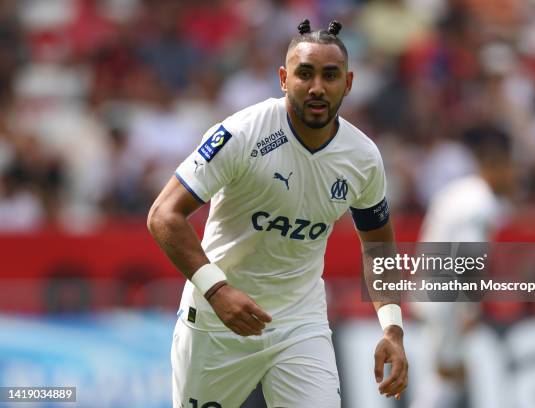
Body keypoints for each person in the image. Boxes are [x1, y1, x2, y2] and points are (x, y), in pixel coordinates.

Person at [147, 19, 408, 408]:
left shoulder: (363, 157)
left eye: (330, 75)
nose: (317, 87)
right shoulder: (241, 134)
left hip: (300, 324)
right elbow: (163, 215)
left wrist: (392, 328)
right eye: (305, 73)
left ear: (348, 83)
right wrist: (217, 290)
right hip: (217, 322)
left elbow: (378, 245)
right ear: (284, 78)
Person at [410, 126, 515, 408]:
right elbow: (466, 260)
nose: (513, 177)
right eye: (509, 169)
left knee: (449, 375)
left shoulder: (460, 192)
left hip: (432, 291)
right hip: (446, 300)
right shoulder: (480, 203)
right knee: (444, 374)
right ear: (495, 167)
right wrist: (469, 308)